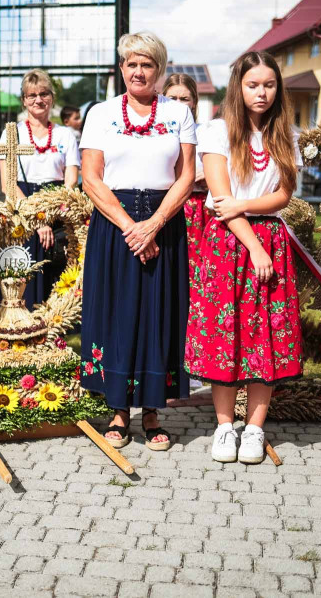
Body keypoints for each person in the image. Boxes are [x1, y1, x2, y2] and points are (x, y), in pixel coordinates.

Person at [79, 31, 196, 451]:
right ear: (122, 68)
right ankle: (116, 411)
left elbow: (186, 175)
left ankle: (152, 411)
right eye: (131, 63)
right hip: (115, 224)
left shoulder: (178, 113)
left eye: (147, 64)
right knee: (116, 312)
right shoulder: (101, 113)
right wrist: (133, 227)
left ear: (160, 70)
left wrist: (155, 224)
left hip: (165, 222)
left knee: (157, 313)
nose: (138, 71)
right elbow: (91, 178)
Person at [185, 51, 303, 465]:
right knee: (226, 334)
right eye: (253, 84)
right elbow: (220, 198)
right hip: (230, 244)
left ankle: (254, 428)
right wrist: (253, 245)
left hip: (270, 237)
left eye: (269, 85)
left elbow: (284, 194)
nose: (262, 93)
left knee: (265, 335)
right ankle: (224, 427)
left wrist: (243, 206)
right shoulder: (217, 131)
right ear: (238, 86)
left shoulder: (285, 132)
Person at [0, 69, 80, 307]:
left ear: (51, 97)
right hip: (21, 209)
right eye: (31, 95)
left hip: (56, 206)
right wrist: (37, 219)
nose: (38, 100)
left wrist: (49, 215)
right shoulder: (12, 134)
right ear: (24, 99)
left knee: (56, 274)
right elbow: (8, 185)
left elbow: (70, 180)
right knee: (21, 277)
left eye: (43, 94)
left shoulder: (65, 135)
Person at [163, 73, 207, 284]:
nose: (179, 104)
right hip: (165, 205)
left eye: (184, 98)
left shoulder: (207, 132)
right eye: (172, 98)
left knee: (199, 269)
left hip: (201, 208)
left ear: (194, 101)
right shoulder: (156, 135)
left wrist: (209, 174)